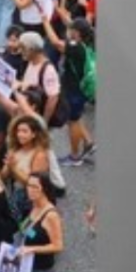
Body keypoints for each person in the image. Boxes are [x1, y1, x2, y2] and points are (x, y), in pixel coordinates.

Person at [43, 16, 96, 166]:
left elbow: (55, 42)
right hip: (81, 89)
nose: (69, 30)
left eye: (72, 29)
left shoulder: (76, 48)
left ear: (77, 33)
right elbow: (70, 24)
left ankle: (75, 156)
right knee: (77, 118)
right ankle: (88, 142)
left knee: (72, 121)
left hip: (74, 90)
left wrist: (46, 22)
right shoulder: (87, 43)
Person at [1, 115, 52, 221]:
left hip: (30, 200)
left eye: (25, 131)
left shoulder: (39, 154)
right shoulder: (14, 150)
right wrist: (8, 166)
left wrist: (14, 168)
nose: (20, 134)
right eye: (18, 131)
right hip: (14, 194)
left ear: (34, 134)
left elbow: (34, 184)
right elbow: (3, 176)